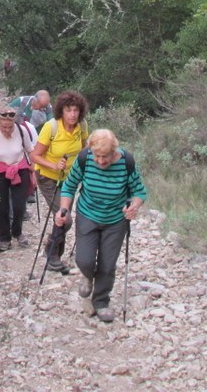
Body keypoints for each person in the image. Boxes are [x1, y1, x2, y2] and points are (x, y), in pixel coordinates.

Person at [53, 129, 147, 323]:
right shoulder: (84, 159)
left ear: (115, 152)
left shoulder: (126, 162)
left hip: (115, 220)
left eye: (106, 157)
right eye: (97, 156)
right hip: (88, 214)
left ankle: (101, 301)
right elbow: (69, 186)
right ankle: (87, 277)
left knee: (108, 263)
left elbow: (139, 191)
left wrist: (134, 206)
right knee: (84, 260)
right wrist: (63, 210)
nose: (101, 161)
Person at [29, 89, 89, 272]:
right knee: (66, 218)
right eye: (68, 110)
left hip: (69, 180)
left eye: (76, 110)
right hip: (48, 178)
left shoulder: (82, 126)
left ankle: (55, 256)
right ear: (61, 111)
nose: (72, 114)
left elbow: (84, 149)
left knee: (62, 218)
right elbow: (34, 156)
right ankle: (51, 250)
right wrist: (53, 166)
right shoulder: (51, 127)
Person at [0, 106, 36, 252]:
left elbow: (31, 151)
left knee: (19, 206)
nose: (7, 129)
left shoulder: (21, 130)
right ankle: (4, 239)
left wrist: (35, 169)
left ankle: (17, 232)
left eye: (10, 126)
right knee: (1, 205)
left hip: (20, 168)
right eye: (4, 126)